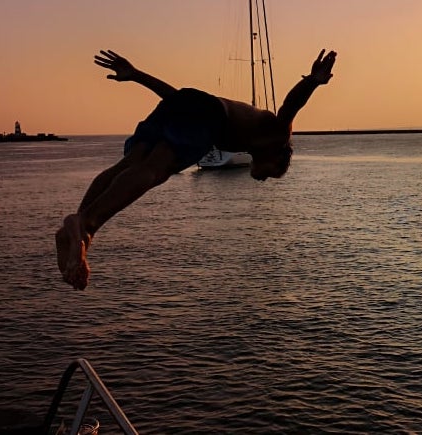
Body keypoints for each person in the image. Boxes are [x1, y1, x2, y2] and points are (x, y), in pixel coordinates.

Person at [55, 49, 337, 290]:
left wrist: (137, 75)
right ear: (279, 158)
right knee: (155, 170)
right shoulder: (278, 136)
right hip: (205, 117)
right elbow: (290, 105)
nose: (263, 178)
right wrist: (313, 81)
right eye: (271, 174)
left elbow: (180, 99)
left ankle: (82, 229)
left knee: (129, 165)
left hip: (188, 103)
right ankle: (86, 223)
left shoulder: (247, 129)